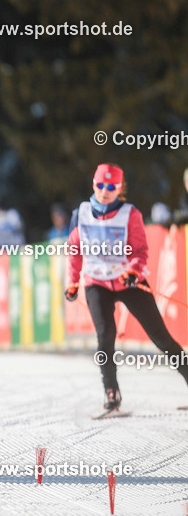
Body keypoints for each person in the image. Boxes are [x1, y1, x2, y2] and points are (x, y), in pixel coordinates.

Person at [64, 163, 188, 413]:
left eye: (111, 187)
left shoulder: (130, 214)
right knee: (105, 337)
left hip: (128, 281)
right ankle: (112, 393)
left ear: (120, 189)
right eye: (100, 185)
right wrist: (73, 281)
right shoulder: (81, 214)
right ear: (93, 185)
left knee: (161, 337)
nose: (105, 191)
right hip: (97, 283)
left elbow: (140, 250)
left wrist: (133, 270)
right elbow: (75, 250)